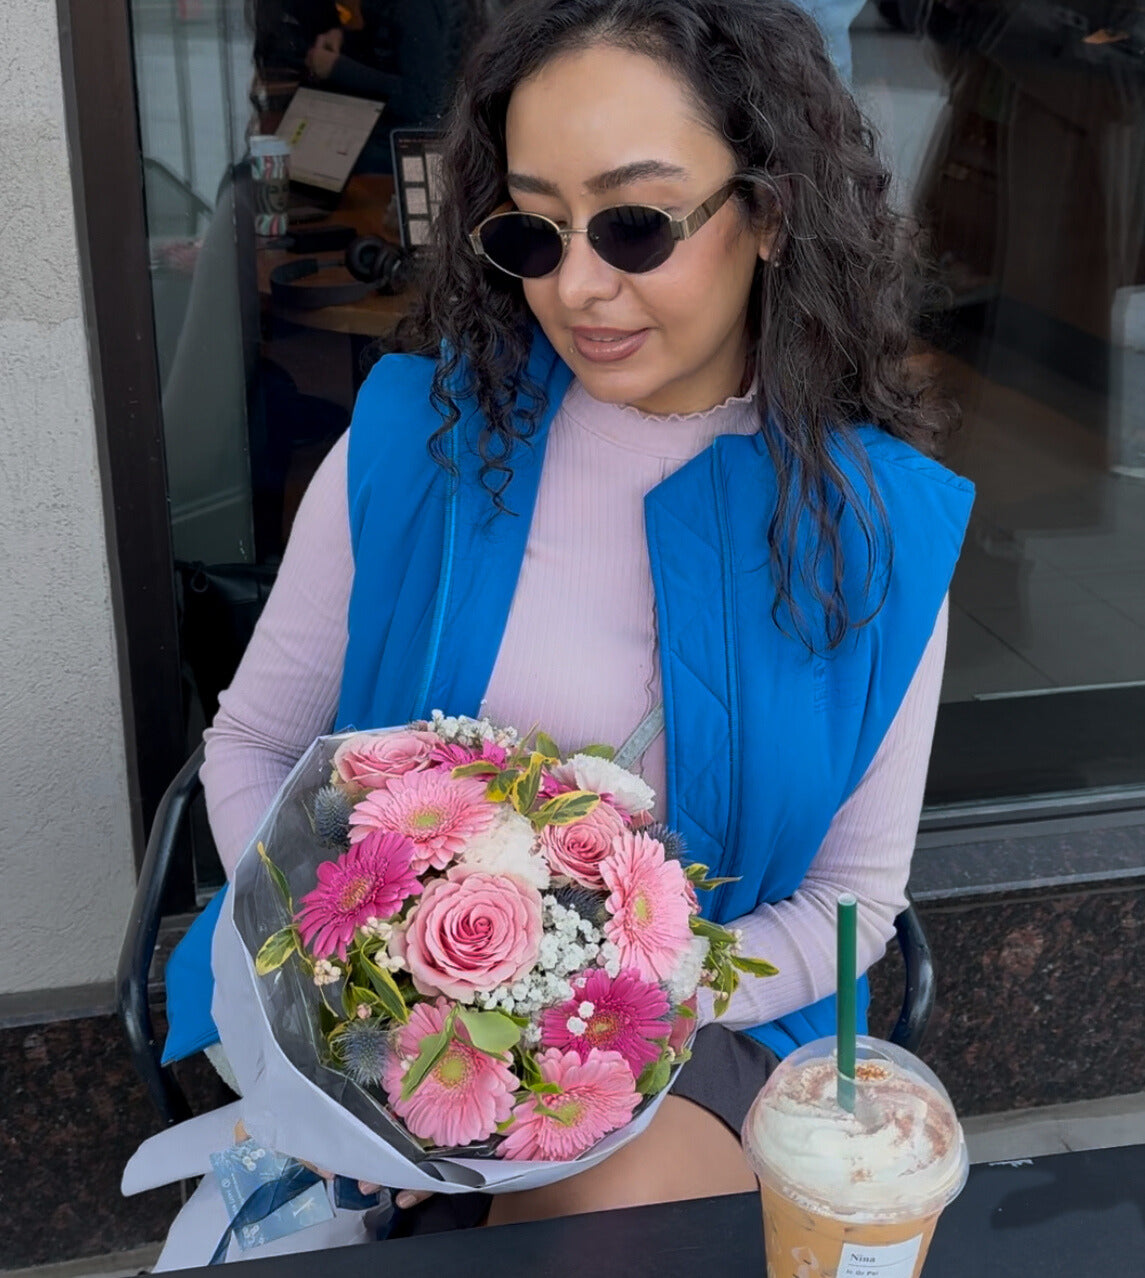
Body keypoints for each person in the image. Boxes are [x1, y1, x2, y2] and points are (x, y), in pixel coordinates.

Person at [198, 0, 972, 1238]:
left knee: (599, 1226)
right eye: (531, 228)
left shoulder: (872, 528)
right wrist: (371, 1004)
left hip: (687, 1039)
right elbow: (249, 752)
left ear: (767, 212)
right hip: (366, 1030)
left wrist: (575, 1018)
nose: (578, 285)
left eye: (632, 223)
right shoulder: (419, 443)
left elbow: (846, 907)